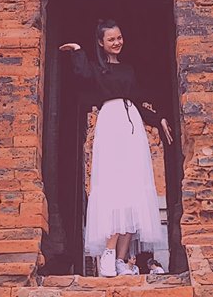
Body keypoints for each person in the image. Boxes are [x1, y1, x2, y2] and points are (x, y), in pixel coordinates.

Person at [59, 18, 173, 278]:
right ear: (101, 42)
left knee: (134, 190)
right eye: (111, 39)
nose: (117, 42)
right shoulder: (96, 69)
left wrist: (159, 119)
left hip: (132, 126)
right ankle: (108, 253)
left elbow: (138, 100)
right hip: (111, 125)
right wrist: (77, 51)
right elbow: (82, 74)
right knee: (115, 188)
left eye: (119, 37)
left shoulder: (128, 70)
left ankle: (121, 260)